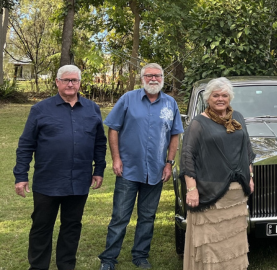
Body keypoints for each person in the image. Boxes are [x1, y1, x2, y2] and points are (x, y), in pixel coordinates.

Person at [13, 65, 107, 270]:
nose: (70, 84)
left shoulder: (92, 109)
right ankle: (38, 267)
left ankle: (66, 265)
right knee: (41, 227)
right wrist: (21, 176)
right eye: (66, 80)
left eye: (74, 80)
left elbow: (100, 143)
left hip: (79, 180)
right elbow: (26, 145)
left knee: (72, 227)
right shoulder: (40, 109)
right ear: (57, 82)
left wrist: (99, 170)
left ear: (80, 83)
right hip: (48, 181)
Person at [98, 63, 183, 270]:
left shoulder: (170, 104)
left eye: (158, 75)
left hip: (156, 171)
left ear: (163, 78)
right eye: (149, 75)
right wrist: (116, 159)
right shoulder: (128, 99)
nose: (153, 79)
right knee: (120, 217)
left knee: (147, 217)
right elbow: (113, 129)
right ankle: (109, 259)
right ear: (142, 78)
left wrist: (169, 164)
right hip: (128, 169)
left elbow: (175, 135)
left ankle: (140, 255)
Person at [181, 77, 255, 270]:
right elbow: (188, 157)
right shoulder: (198, 123)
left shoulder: (237, 116)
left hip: (236, 194)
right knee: (210, 242)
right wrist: (191, 189)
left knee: (233, 241)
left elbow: (246, 149)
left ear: (230, 97)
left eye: (224, 95)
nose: (220, 99)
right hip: (209, 191)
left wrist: (250, 176)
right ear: (208, 98)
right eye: (216, 95)